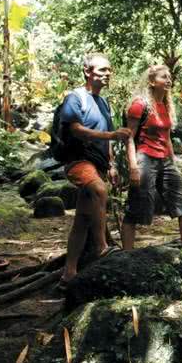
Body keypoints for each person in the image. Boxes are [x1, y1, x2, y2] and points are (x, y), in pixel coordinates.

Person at [59, 53, 132, 286]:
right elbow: (76, 130)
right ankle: (102, 247)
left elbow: (106, 140)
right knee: (99, 190)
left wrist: (110, 165)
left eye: (109, 70)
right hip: (78, 161)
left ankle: (68, 274)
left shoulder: (103, 103)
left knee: (82, 219)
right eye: (102, 70)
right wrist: (111, 134)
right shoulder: (75, 97)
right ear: (87, 72)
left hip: (98, 164)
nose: (107, 74)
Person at [121, 65, 182, 250]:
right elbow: (128, 138)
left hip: (164, 160)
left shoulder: (165, 105)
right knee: (135, 208)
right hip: (144, 159)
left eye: (170, 77)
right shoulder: (139, 105)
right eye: (164, 77)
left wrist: (174, 162)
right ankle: (126, 256)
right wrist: (132, 167)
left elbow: (167, 138)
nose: (169, 80)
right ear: (152, 81)